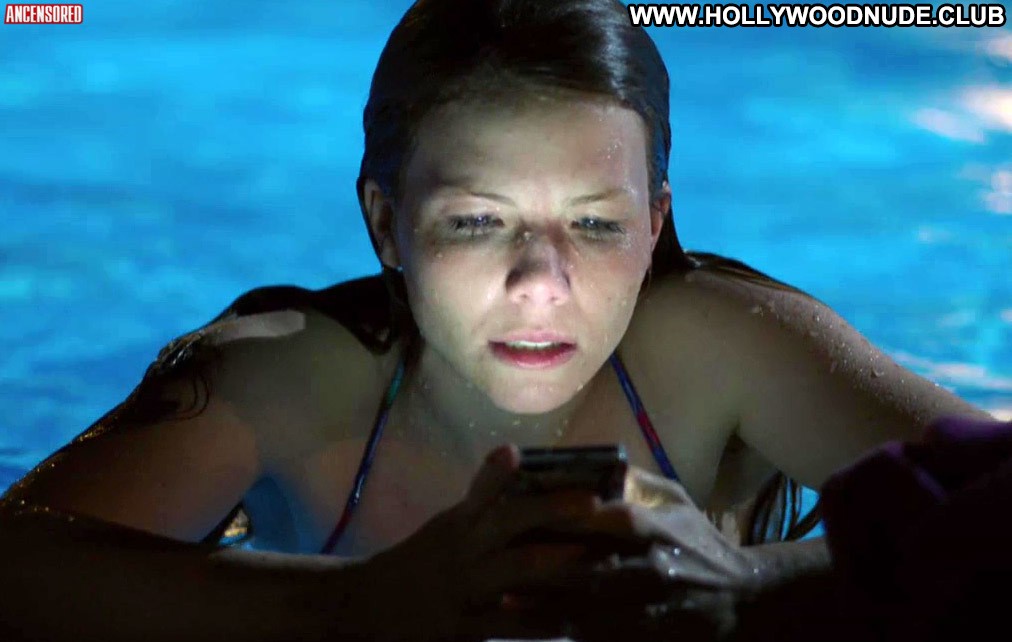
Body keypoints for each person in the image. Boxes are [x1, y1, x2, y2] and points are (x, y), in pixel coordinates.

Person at [0, 1, 992, 640]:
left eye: (595, 225)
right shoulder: (293, 381)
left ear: (655, 224)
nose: (539, 284)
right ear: (385, 224)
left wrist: (747, 585)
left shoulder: (718, 348)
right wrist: (363, 603)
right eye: (476, 222)